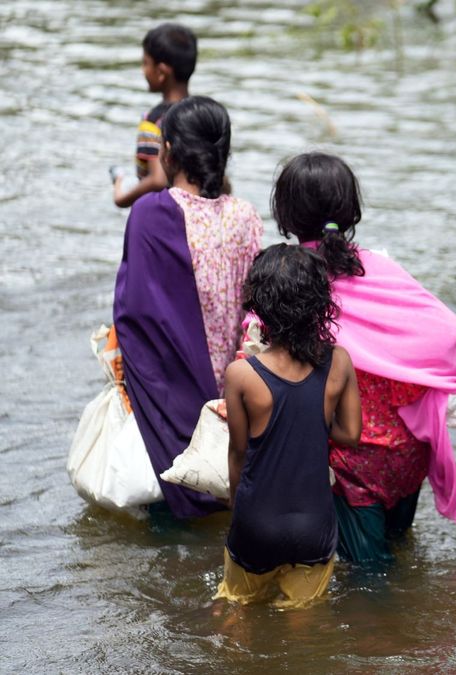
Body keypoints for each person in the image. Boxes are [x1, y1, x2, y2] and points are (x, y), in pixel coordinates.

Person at [267, 152, 456, 563]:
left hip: (355, 461)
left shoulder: (287, 281)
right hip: (408, 453)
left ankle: (386, 630)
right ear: (350, 211)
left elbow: (267, 368)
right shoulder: (381, 269)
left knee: (369, 587)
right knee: (401, 553)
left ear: (285, 214)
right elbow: (452, 335)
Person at [113, 96, 262, 519]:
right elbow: (256, 305)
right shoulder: (246, 216)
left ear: (169, 151)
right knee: (228, 504)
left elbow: (135, 312)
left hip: (176, 389)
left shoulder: (149, 213)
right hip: (235, 392)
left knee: (170, 506)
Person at [217, 244, 361, 608]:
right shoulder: (339, 362)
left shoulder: (241, 375)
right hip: (313, 527)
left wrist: (237, 507)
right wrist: (310, 421)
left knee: (236, 610)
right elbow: (351, 435)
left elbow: (238, 453)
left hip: (257, 525)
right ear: (320, 304)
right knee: (302, 627)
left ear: (260, 306)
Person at [113, 23, 196, 208]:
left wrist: (121, 197)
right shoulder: (201, 114)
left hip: (161, 216)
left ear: (161, 72)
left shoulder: (153, 121)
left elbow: (158, 180)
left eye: (145, 63)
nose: (143, 70)